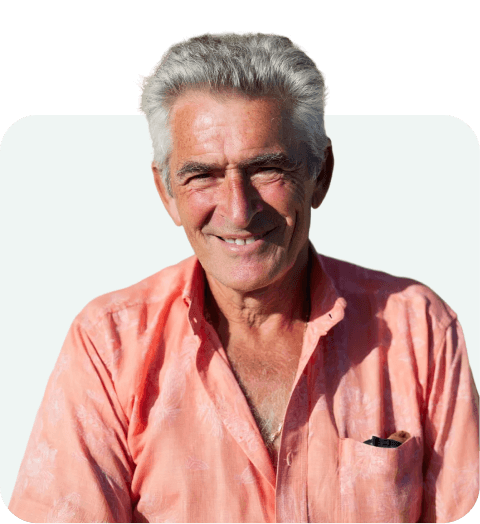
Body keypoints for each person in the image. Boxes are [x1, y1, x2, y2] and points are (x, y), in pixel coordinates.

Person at [8, 32, 478, 523]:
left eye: (267, 168)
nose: (238, 210)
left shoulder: (418, 330)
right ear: (166, 193)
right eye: (203, 175)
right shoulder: (111, 344)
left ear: (320, 175)